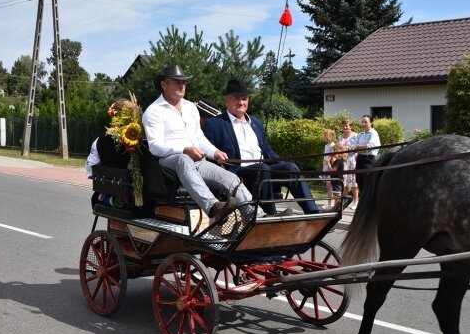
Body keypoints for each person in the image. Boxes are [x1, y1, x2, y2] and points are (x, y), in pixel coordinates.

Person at [142, 66, 257, 223]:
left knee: (232, 179)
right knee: (183, 159)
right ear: (164, 84)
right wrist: (184, 149)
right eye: (177, 82)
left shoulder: (190, 107)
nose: (182, 85)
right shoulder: (153, 111)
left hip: (196, 160)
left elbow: (199, 137)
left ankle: (258, 217)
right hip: (168, 161)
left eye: (184, 82)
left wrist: (215, 152)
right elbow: (155, 147)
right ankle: (214, 207)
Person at [202, 79, 322, 215]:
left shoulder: (256, 123)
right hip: (237, 174)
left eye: (244, 98)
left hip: (262, 171)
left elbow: (267, 150)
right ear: (226, 101)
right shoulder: (214, 124)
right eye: (237, 99)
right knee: (262, 168)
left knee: (291, 168)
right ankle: (270, 214)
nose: (241, 102)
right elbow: (208, 154)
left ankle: (313, 212)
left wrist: (281, 163)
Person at [355, 114, 381, 194]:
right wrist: (362, 148)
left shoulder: (374, 133)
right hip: (360, 159)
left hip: (369, 160)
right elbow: (355, 147)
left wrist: (360, 148)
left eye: (365, 122)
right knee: (359, 181)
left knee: (367, 182)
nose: (363, 124)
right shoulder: (360, 134)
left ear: (371, 122)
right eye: (362, 122)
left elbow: (370, 146)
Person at [338, 118, 359, 210]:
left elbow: (357, 147)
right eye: (343, 125)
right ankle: (345, 199)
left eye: (346, 125)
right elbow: (338, 148)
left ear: (351, 126)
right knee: (344, 180)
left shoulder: (355, 135)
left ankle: (356, 201)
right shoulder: (340, 137)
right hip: (343, 160)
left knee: (354, 181)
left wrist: (348, 147)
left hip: (352, 159)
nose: (345, 127)